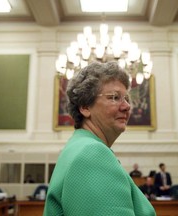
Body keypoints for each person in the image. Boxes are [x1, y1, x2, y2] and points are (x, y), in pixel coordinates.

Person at [44, 62, 156, 216]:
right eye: (115, 97)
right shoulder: (92, 154)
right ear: (85, 107)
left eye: (127, 99)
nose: (127, 107)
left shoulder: (78, 146)